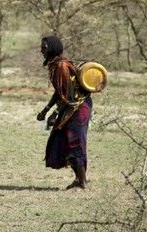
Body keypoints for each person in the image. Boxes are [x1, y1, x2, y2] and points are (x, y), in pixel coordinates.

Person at [36, 36, 92, 190]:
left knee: (75, 142)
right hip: (71, 106)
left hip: (78, 107)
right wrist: (46, 110)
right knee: (63, 141)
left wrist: (54, 113)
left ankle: (82, 182)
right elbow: (59, 92)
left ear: (52, 48)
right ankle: (79, 179)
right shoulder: (55, 65)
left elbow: (67, 95)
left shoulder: (61, 66)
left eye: (44, 47)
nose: (41, 50)